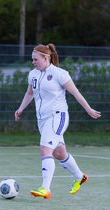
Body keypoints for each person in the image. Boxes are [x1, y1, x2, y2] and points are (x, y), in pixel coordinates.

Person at [14, 43, 101, 199]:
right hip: (42, 119)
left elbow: (76, 93)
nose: (33, 62)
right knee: (60, 153)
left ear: (46, 57)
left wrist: (89, 109)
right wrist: (20, 108)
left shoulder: (59, 74)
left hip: (57, 116)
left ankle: (45, 188)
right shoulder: (33, 74)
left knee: (45, 150)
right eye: (32, 59)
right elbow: (29, 93)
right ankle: (80, 176)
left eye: (36, 59)